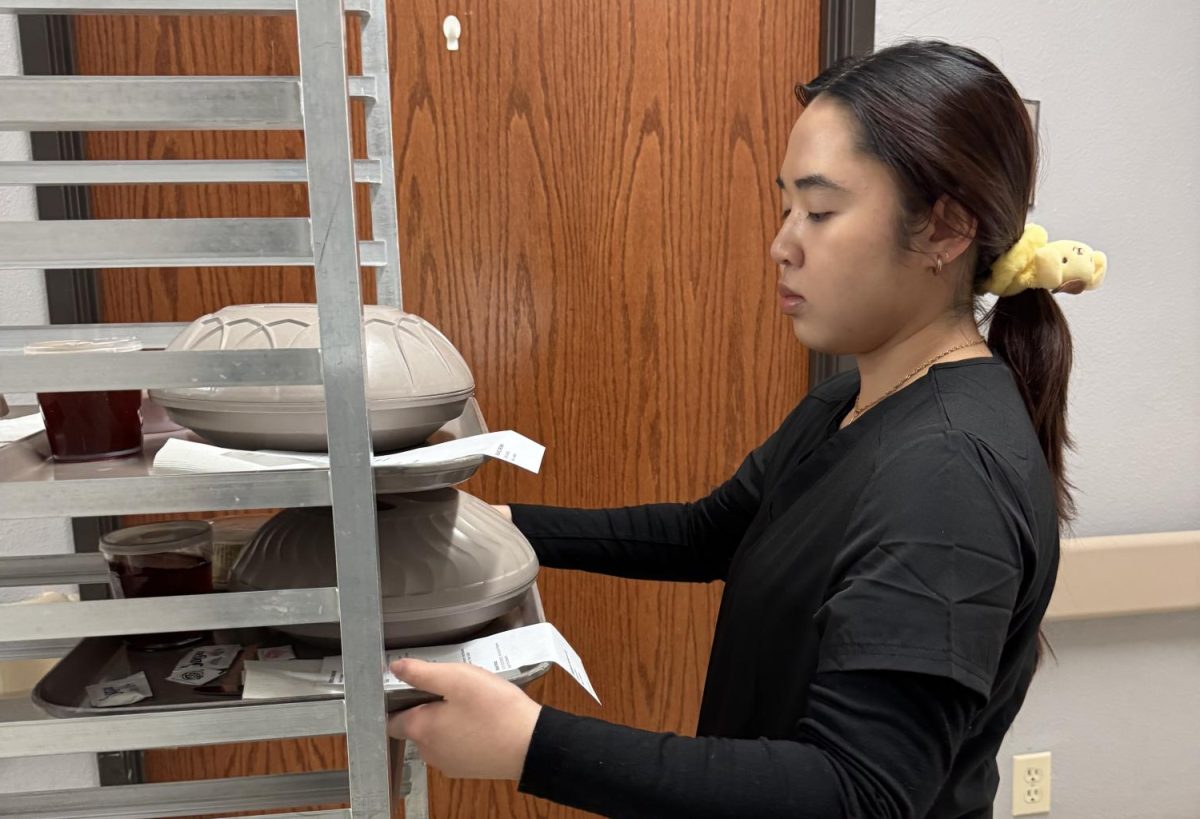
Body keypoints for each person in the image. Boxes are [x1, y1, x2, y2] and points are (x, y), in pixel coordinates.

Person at [386, 40, 1106, 818]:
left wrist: (531, 744)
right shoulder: (853, 401)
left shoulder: (948, 473)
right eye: (786, 205)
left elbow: (858, 792)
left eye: (822, 211)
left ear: (945, 229)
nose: (782, 243)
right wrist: (501, 525)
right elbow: (710, 532)